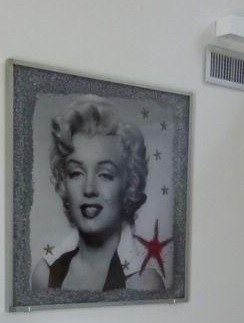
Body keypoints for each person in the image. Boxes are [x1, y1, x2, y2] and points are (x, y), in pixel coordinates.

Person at [31, 98, 164, 292]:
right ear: (63, 182)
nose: (89, 189)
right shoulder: (45, 276)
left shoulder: (143, 283)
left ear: (129, 185)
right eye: (76, 173)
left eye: (105, 175)